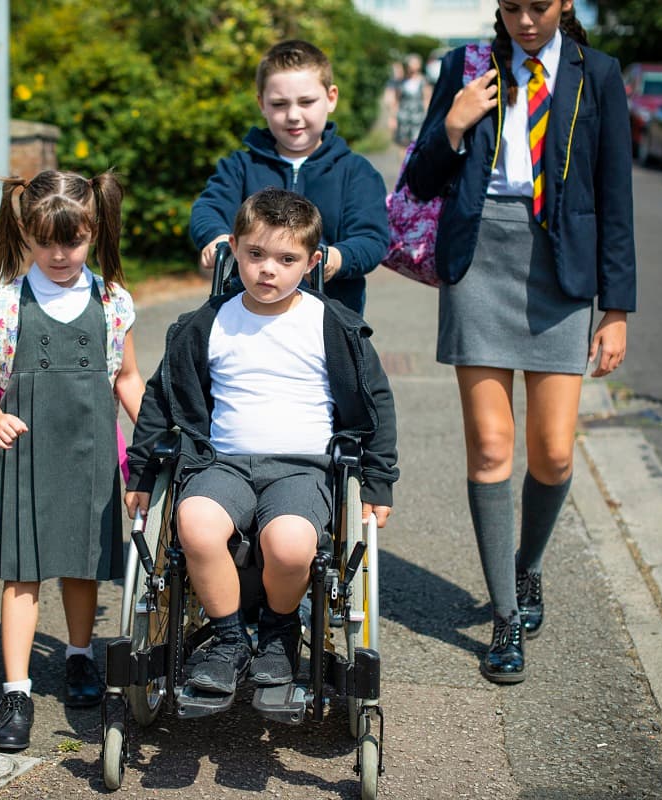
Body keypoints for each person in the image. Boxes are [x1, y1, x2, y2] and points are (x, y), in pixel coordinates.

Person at [402, 0, 634, 684]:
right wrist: (453, 122)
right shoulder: (465, 67)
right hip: (478, 261)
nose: (524, 21)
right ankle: (506, 617)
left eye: (538, 6)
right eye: (511, 8)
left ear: (563, 3)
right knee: (493, 445)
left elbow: (615, 194)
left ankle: (527, 567)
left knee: (555, 452)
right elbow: (419, 180)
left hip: (561, 269)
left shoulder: (600, 73)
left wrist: (616, 308)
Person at [126, 188, 399, 698]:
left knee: (291, 545)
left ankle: (277, 633)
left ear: (313, 262)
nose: (267, 270)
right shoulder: (206, 324)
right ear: (233, 249)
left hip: (302, 468)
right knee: (196, 527)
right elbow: (160, 398)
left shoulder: (331, 325)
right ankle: (230, 640)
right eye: (255, 255)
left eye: (286, 258)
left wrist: (377, 483)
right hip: (223, 463)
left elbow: (376, 403)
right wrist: (142, 471)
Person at [0, 169, 145, 750]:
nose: (59, 254)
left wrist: (154, 435)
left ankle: (77, 657)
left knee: (82, 562)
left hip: (92, 452)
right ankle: (15, 691)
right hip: (24, 452)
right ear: (25, 230)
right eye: (46, 242)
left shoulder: (113, 301)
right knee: (22, 571)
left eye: (72, 241)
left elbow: (128, 377)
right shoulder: (6, 301)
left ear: (93, 231)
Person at [189, 39, 388, 316]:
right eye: (279, 104)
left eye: (306, 102)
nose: (293, 115)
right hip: (247, 316)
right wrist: (215, 237)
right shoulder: (241, 166)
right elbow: (208, 208)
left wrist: (337, 257)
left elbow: (371, 237)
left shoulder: (356, 172)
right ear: (261, 104)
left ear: (331, 98)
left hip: (328, 319)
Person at [393, 53, 430, 148]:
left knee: (416, 144)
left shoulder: (423, 81)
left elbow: (427, 99)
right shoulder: (401, 81)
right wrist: (393, 117)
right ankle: (403, 163)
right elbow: (397, 100)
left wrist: (428, 117)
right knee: (402, 144)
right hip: (403, 116)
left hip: (418, 117)